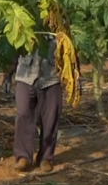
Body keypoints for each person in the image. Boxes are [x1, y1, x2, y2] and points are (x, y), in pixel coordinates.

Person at [11, 35, 70, 173]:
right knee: (23, 114)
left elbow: (68, 47)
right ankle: (23, 157)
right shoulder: (22, 16)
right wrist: (9, 73)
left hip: (51, 76)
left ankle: (46, 158)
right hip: (26, 75)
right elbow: (13, 45)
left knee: (51, 117)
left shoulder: (58, 19)